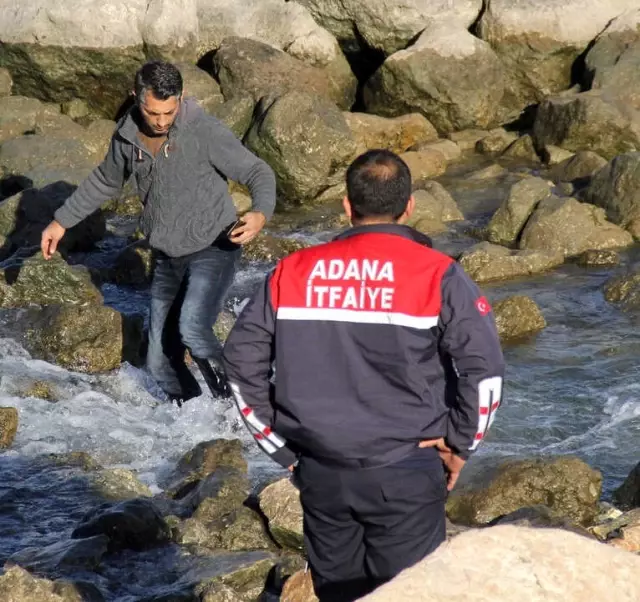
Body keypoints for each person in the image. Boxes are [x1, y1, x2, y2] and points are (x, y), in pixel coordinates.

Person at [222, 149, 505, 601]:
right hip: (405, 469)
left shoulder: (291, 272)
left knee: (340, 594)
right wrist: (460, 443)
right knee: (409, 593)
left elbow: (240, 362)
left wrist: (282, 449)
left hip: (320, 470)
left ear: (347, 206)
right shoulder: (438, 274)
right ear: (409, 206)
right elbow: (485, 370)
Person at [40, 60, 276, 406]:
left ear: (179, 99)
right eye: (153, 113)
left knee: (193, 328)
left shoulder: (203, 131)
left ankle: (241, 410)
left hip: (215, 245)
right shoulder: (126, 137)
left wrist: (260, 213)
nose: (162, 121)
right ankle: (195, 421)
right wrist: (61, 221)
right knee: (159, 361)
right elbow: (106, 181)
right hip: (168, 256)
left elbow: (257, 171)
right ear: (136, 97)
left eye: (169, 111)